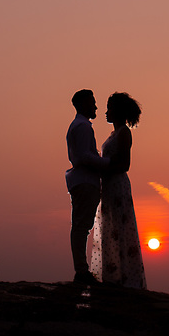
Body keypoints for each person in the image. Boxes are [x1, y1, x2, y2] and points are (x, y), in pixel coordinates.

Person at [90, 92, 146, 288]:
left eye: (109, 108)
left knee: (119, 228)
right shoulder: (114, 133)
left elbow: (124, 164)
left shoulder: (124, 133)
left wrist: (102, 168)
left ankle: (125, 278)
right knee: (110, 227)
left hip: (117, 184)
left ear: (118, 111)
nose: (106, 112)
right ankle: (113, 276)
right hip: (109, 185)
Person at [65, 89, 109, 285]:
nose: (96, 107)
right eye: (92, 103)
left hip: (83, 181)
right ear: (83, 104)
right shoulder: (82, 127)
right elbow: (84, 155)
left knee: (82, 226)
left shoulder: (79, 125)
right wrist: (106, 163)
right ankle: (81, 271)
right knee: (82, 226)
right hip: (85, 181)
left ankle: (81, 269)